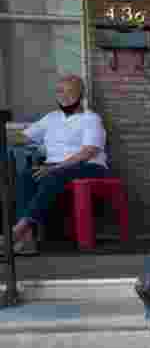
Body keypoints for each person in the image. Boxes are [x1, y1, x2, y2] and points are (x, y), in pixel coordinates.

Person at [6, 74, 110, 255]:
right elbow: (23, 137)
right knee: (26, 176)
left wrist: (55, 167)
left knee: (53, 174)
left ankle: (19, 228)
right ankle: (28, 240)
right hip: (55, 167)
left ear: (81, 94)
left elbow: (88, 152)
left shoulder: (91, 119)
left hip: (89, 166)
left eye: (69, 91)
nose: (63, 95)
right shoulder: (51, 118)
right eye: (59, 91)